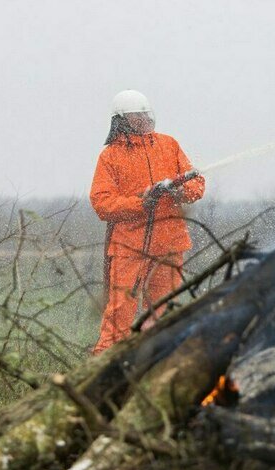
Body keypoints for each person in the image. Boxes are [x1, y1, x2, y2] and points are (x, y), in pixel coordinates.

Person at [89, 90, 205, 354]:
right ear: (122, 120)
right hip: (129, 247)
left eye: (145, 113)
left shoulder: (169, 145)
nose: (144, 119)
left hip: (170, 244)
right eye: (137, 115)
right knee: (120, 310)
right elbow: (102, 202)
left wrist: (181, 192)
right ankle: (104, 361)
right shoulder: (110, 156)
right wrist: (141, 203)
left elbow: (197, 184)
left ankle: (154, 359)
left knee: (163, 310)